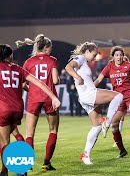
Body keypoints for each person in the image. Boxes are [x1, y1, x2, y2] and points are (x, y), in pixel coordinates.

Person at [0, 44, 60, 176]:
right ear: (10, 56)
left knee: (4, 141)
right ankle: (21, 167)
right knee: (15, 133)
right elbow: (38, 82)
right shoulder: (18, 69)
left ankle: (5, 170)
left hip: (3, 108)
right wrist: (53, 97)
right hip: (18, 109)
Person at [65, 42, 123, 165]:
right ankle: (107, 122)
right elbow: (68, 67)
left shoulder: (84, 62)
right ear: (86, 51)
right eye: (94, 54)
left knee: (96, 126)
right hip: (88, 94)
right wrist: (77, 77)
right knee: (118, 96)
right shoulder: (80, 58)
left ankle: (85, 155)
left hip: (85, 96)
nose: (95, 57)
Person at [16, 34, 61, 170]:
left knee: (30, 133)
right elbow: (55, 81)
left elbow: (23, 84)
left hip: (34, 98)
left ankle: (28, 163)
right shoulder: (52, 60)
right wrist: (57, 77)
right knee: (53, 130)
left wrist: (33, 90)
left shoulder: (28, 62)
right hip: (50, 97)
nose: (51, 50)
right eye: (50, 47)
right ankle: (47, 162)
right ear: (46, 47)